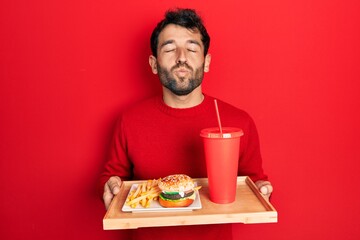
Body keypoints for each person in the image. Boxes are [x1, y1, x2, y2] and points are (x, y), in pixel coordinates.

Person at [100, 8, 273, 240]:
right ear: (153, 63)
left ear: (207, 61)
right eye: (170, 49)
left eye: (192, 48)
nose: (181, 57)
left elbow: (255, 183)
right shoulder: (129, 120)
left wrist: (263, 190)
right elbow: (112, 179)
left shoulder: (238, 121)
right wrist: (109, 186)